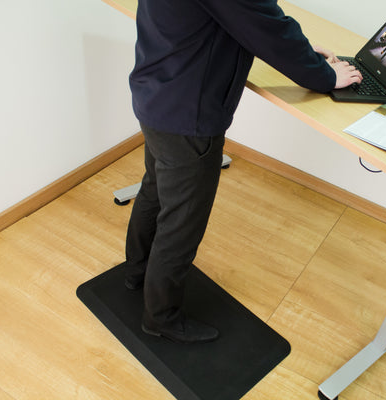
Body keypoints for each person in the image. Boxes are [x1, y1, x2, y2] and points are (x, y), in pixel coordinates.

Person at [123, 0, 363, 344]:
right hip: (189, 117)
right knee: (181, 223)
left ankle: (136, 272)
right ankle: (160, 317)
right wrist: (324, 74)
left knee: (156, 189)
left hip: (156, 94)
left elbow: (244, 17)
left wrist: (304, 51)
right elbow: (263, 24)